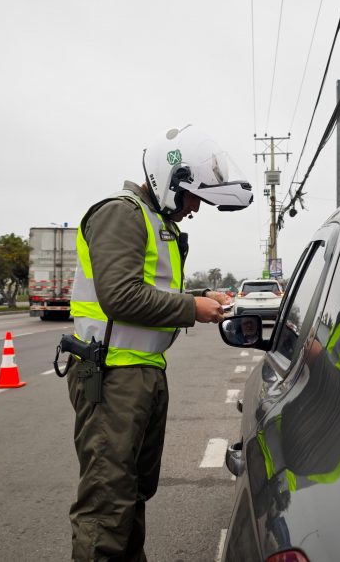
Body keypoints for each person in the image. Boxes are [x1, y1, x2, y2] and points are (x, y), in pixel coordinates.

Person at [66, 124, 252, 561]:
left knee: (132, 493)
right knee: (107, 503)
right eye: (192, 197)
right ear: (169, 181)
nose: (195, 208)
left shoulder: (153, 221)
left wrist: (199, 298)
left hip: (141, 373)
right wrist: (193, 310)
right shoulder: (122, 213)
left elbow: (150, 288)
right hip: (113, 376)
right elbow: (120, 296)